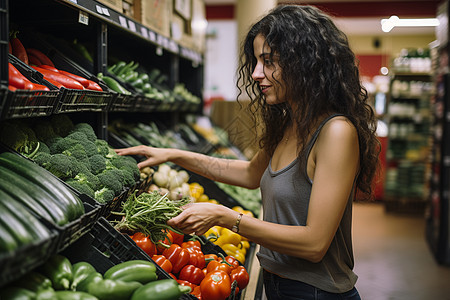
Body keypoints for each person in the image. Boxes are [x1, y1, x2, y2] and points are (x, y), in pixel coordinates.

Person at [116, 4, 380, 300]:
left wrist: (226, 217)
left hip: (317, 292)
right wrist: (174, 154)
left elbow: (314, 244)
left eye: (269, 62)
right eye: (255, 61)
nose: (256, 73)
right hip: (278, 284)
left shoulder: (336, 132)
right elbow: (249, 173)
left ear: (304, 62)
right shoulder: (288, 124)